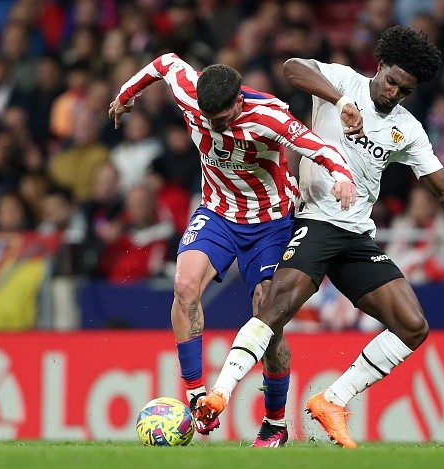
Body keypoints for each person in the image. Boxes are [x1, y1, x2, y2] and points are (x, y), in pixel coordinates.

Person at [195, 26, 444, 448]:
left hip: (356, 236)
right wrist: (341, 101)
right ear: (379, 67)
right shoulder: (344, 82)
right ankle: (220, 394)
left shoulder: (408, 131)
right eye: (392, 81)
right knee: (274, 310)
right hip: (314, 222)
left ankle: (333, 399)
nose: (394, 93)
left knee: (413, 326)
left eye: (405, 90)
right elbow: (292, 67)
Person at [108, 53, 356, 446]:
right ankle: (194, 397)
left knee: (266, 315)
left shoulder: (270, 115)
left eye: (222, 120)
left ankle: (275, 423)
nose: (215, 127)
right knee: (185, 284)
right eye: (209, 120)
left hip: (271, 223)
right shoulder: (193, 95)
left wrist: (341, 176)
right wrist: (126, 94)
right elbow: (166, 63)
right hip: (218, 213)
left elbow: (316, 146)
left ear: (239, 102)